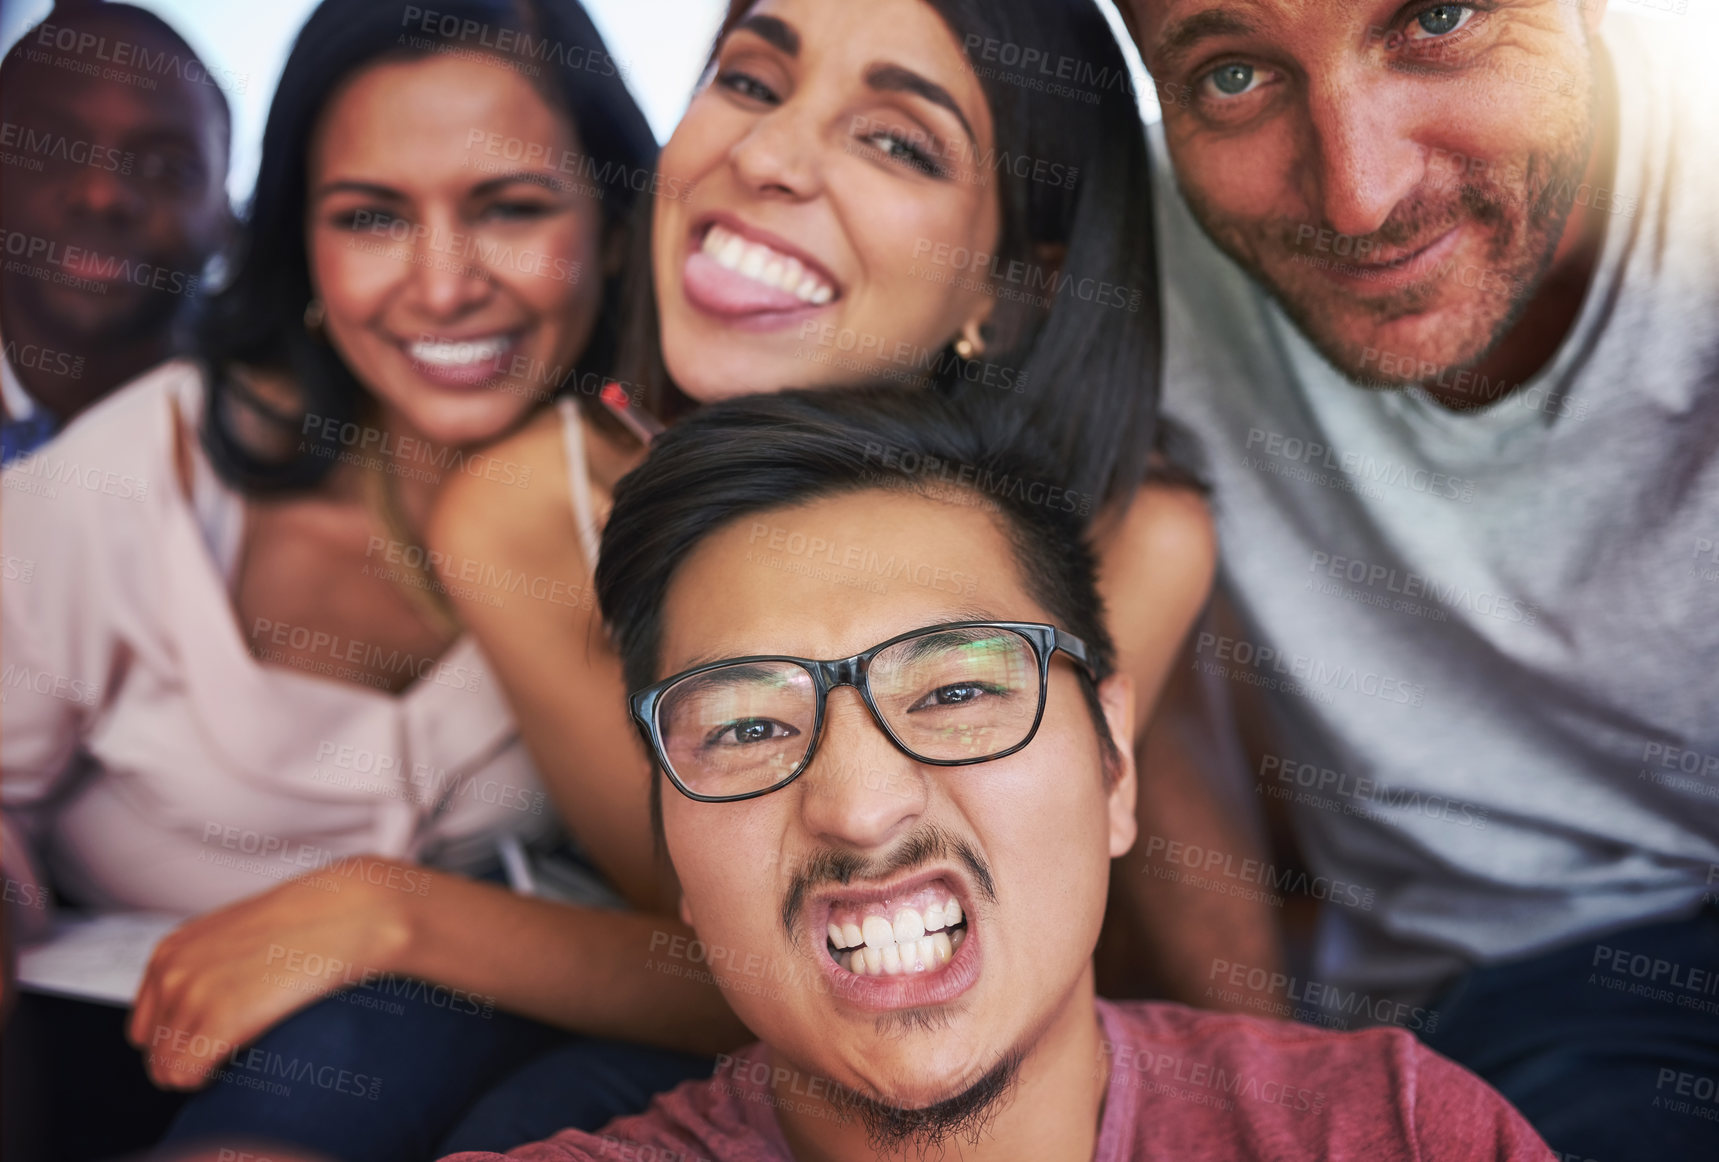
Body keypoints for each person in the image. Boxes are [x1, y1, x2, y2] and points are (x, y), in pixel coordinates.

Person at [441, 386, 1553, 1162]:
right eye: (746, 729)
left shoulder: (1400, 1132)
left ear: (1115, 766)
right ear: (673, 845)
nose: (862, 805)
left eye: (958, 691)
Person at [0, 2, 736, 1160]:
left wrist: (391, 911)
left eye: (511, 206)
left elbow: (749, 974)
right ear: (301, 244)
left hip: (452, 1048)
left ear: (610, 223)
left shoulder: (642, 505)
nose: (442, 288)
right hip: (101, 1036)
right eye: (372, 217)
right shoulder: (144, 475)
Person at [429, 0, 1233, 1033]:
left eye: (898, 143)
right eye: (751, 83)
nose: (766, 155)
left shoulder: (1135, 534)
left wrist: (399, 919)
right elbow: (736, 963)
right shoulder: (522, 517)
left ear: (1015, 286)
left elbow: (936, 949)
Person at [1105, 1, 1719, 1158]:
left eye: (1436, 19)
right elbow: (1156, 668)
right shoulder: (1127, 260)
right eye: (1232, 77)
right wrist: (1263, 1090)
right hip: (1525, 988)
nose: (1360, 197)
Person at [0, 1, 232, 464]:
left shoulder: (264, 456)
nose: (102, 194)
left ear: (227, 219)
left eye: (167, 169)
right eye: (49, 146)